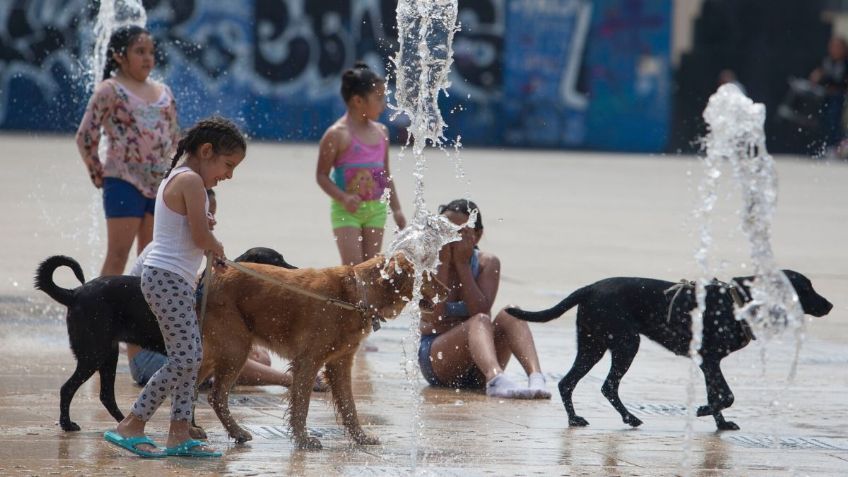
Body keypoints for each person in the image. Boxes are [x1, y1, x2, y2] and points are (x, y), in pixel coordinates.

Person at [103, 116, 245, 458]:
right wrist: (215, 243)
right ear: (207, 151)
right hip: (166, 279)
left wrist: (206, 233)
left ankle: (179, 432)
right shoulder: (192, 181)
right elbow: (199, 237)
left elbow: (190, 231)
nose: (229, 175)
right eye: (228, 165)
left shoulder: (183, 179)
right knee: (185, 358)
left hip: (170, 279)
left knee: (191, 358)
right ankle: (132, 423)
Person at [124, 190, 312, 390]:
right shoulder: (163, 252)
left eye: (214, 213)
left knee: (260, 358)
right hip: (149, 360)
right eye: (207, 213)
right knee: (230, 353)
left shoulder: (193, 248)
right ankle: (294, 380)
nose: (213, 221)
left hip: (178, 350)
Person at [418, 199, 551, 400]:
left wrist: (463, 266)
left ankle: (536, 378)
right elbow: (434, 317)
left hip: (479, 365)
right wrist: (445, 263)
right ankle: (496, 379)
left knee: (511, 312)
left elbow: (480, 309)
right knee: (479, 321)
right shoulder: (428, 263)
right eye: (445, 231)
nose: (450, 239)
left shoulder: (487, 263)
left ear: (476, 235)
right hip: (439, 361)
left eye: (459, 232)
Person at [76, 25, 179, 277]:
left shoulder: (164, 93)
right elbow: (85, 136)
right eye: (140, 52)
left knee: (152, 258)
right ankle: (100, 313)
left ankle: (140, 316)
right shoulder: (109, 90)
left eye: (151, 52)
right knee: (119, 254)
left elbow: (176, 138)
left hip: (160, 185)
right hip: (124, 181)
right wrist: (96, 172)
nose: (148, 58)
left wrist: (178, 176)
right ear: (119, 56)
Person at [316, 61, 406, 266]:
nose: (383, 104)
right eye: (379, 98)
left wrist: (397, 209)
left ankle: (366, 300)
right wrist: (343, 197)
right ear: (358, 100)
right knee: (352, 270)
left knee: (371, 269)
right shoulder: (336, 135)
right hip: (346, 211)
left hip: (376, 210)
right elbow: (321, 175)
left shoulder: (382, 132)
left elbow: (385, 175)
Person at [809, 36, 848, 153]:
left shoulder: (846, 63)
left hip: (840, 97)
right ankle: (825, 146)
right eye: (832, 47)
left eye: (837, 47)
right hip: (824, 96)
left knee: (834, 119)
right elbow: (817, 76)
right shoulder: (825, 61)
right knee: (823, 120)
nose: (834, 50)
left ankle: (835, 146)